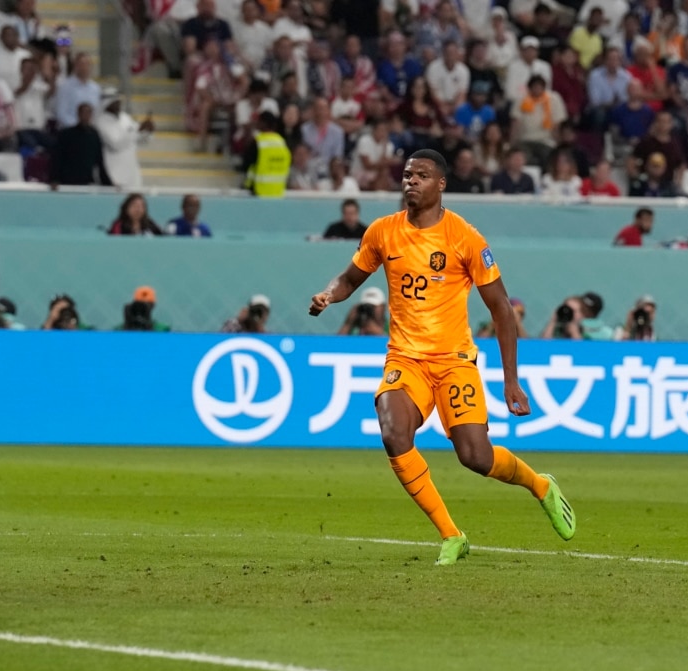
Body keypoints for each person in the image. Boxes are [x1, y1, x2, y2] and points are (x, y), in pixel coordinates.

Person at [308, 148, 576, 565]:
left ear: (441, 185)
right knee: (394, 432)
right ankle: (452, 534)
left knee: (475, 456)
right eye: (407, 174)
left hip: (454, 362)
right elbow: (350, 277)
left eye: (422, 176)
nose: (410, 181)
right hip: (406, 360)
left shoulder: (464, 237)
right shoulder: (383, 232)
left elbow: (501, 308)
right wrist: (330, 294)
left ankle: (539, 485)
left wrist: (511, 379)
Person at [242, 111, 291, 197]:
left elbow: (246, 165)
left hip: (258, 192)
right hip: (278, 193)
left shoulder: (258, 142)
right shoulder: (282, 143)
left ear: (263, 123)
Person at [540, 291, 612, 340]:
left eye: (573, 311)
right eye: (566, 308)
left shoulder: (588, 333)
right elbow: (543, 346)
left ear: (583, 315)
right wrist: (552, 322)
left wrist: (574, 332)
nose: (568, 312)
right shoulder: (556, 329)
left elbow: (581, 353)